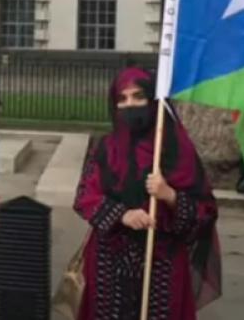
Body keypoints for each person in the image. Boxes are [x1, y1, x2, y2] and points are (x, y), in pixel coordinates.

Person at [73, 68, 221, 320]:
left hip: (161, 262)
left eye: (138, 96)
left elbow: (205, 212)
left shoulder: (176, 148)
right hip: (109, 262)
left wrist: (170, 195)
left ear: (153, 100)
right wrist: (122, 215)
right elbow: (85, 196)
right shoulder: (105, 147)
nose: (129, 104)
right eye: (122, 98)